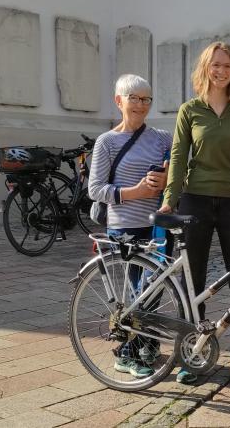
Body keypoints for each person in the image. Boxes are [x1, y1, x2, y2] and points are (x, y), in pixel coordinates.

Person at [160, 41, 230, 386]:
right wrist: (170, 199)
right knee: (193, 282)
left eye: (227, 66)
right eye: (215, 65)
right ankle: (194, 352)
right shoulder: (190, 110)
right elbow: (177, 156)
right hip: (196, 200)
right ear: (205, 68)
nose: (221, 71)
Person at [87, 74, 171, 379]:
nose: (139, 104)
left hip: (156, 225)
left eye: (146, 99)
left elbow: (177, 169)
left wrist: (166, 180)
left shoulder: (162, 137)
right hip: (124, 227)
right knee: (139, 291)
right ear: (118, 100)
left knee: (154, 287)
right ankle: (128, 353)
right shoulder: (107, 141)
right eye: (133, 98)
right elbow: (95, 189)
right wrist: (136, 192)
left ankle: (143, 344)